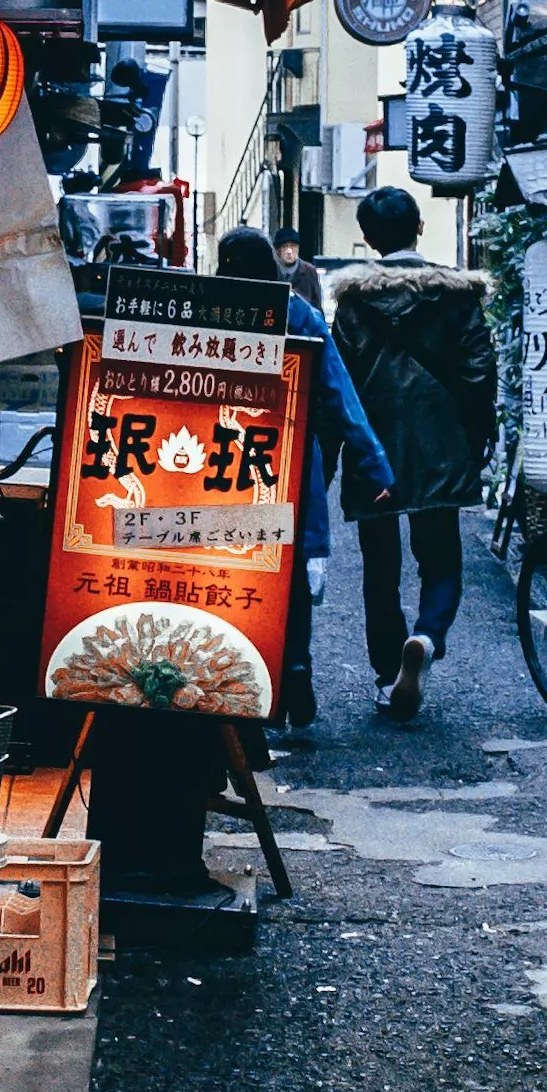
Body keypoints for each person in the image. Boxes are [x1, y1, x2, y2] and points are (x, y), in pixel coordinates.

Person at [324, 184, 498, 722]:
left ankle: (386, 674)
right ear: (421, 227)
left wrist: (331, 455)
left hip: (374, 449)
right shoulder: (457, 294)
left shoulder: (354, 302)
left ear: (369, 239)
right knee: (441, 556)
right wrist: (476, 437)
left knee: (380, 567)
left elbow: (339, 383)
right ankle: (426, 635)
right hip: (440, 442)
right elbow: (478, 372)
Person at [218, 227, 389, 735]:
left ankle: (241, 683)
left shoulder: (208, 311)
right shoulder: (299, 315)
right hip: (286, 463)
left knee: (232, 576)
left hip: (222, 465)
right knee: (286, 574)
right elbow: (340, 396)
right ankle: (295, 667)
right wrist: (374, 462)